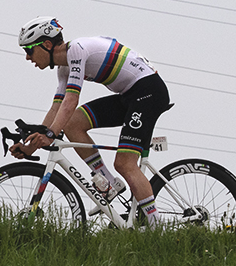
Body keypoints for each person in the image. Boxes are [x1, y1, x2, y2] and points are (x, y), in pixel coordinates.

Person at [14, 17, 172, 226]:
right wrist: (31, 147)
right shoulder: (64, 68)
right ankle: (107, 184)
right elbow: (58, 108)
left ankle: (156, 229)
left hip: (148, 91)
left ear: (47, 44)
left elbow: (71, 100)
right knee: (72, 124)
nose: (27, 57)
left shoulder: (77, 50)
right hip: (129, 95)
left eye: (29, 50)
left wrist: (51, 134)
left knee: (125, 164)